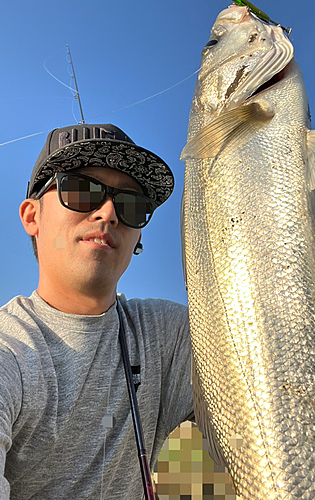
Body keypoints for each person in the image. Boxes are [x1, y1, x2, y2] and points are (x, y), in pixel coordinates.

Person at [0, 123, 194, 500]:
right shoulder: (10, 350)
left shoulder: (170, 336)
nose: (108, 213)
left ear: (138, 238)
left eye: (131, 205)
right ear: (31, 216)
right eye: (81, 190)